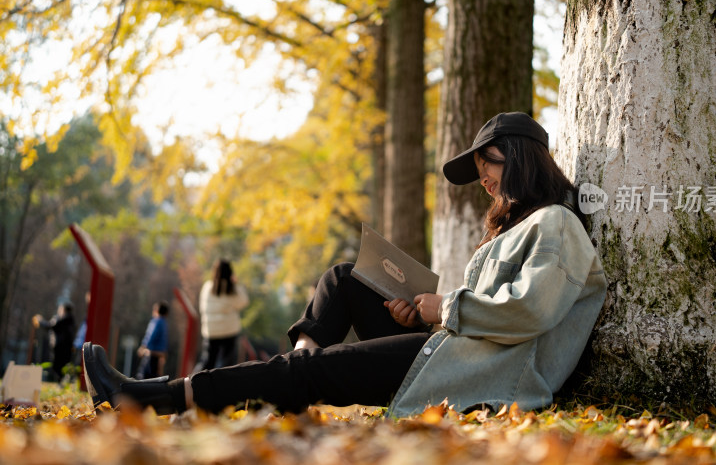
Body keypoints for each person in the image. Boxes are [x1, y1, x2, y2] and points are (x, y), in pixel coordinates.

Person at [82, 112, 608, 417]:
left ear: (519, 155)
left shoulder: (556, 224)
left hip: (479, 375)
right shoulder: (518, 228)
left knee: (315, 370)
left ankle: (155, 397)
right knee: (344, 277)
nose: (485, 181)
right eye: (479, 171)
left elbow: (529, 312)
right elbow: (487, 311)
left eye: (488, 165)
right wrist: (423, 310)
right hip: (452, 351)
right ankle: (290, 379)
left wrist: (441, 306)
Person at [194, 260, 249, 371]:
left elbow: (202, 307)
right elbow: (244, 301)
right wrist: (236, 284)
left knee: (207, 361)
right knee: (226, 364)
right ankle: (221, 386)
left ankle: (192, 383)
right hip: (229, 331)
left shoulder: (207, 287)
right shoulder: (232, 289)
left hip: (210, 331)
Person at [34, 302, 77, 381]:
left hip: (60, 347)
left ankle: (61, 382)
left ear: (63, 310)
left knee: (58, 367)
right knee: (62, 367)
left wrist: (40, 321)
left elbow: (50, 326)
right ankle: (62, 382)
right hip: (66, 348)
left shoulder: (64, 319)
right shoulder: (71, 320)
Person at [135, 301, 169, 379]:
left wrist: (143, 347)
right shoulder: (165, 323)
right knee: (154, 378)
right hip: (159, 355)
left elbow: (151, 335)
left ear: (156, 311)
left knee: (143, 377)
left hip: (151, 354)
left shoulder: (156, 321)